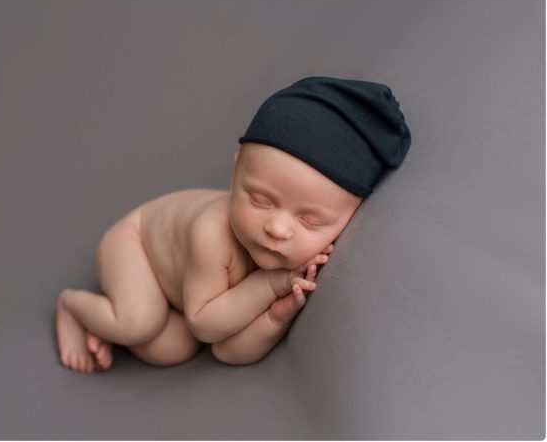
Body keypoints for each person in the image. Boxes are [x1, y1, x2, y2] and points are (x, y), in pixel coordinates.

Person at [55, 76, 412, 372]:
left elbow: (227, 352)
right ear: (236, 168)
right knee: (139, 321)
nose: (277, 228)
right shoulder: (211, 232)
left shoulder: (283, 247)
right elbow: (204, 323)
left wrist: (275, 318)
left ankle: (109, 325)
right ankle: (74, 306)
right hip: (137, 244)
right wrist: (271, 284)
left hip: (188, 293)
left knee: (172, 350)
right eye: (259, 199)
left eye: (310, 220)